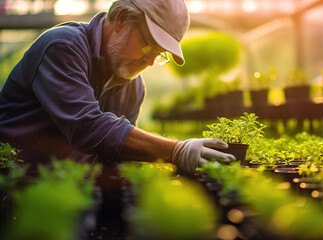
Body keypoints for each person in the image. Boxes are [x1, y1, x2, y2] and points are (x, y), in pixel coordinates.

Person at [0, 0, 235, 175]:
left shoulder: (133, 87)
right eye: (149, 46)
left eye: (160, 54)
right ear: (122, 19)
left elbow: (115, 154)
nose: (150, 61)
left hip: (69, 194)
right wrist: (175, 151)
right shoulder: (64, 46)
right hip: (14, 189)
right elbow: (86, 126)